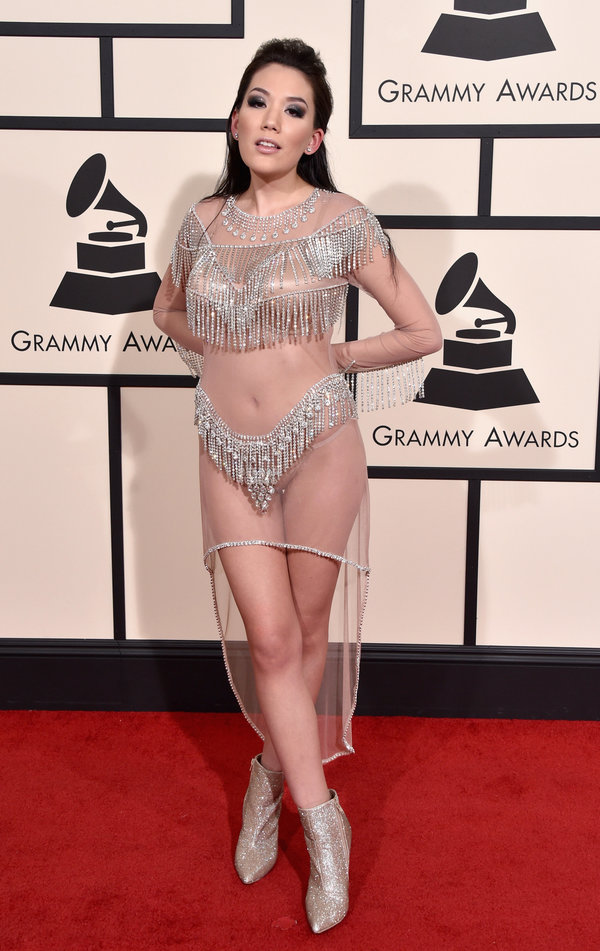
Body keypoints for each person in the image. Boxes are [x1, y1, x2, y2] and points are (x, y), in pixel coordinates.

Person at [153, 37, 442, 933]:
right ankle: (327, 828)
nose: (270, 120)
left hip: (321, 444)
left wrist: (333, 357)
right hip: (224, 448)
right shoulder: (201, 222)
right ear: (236, 117)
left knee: (307, 633)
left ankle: (271, 778)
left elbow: (423, 329)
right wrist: (225, 349)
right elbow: (168, 308)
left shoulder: (343, 219)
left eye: (292, 109)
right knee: (273, 641)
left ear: (315, 135)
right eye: (256, 101)